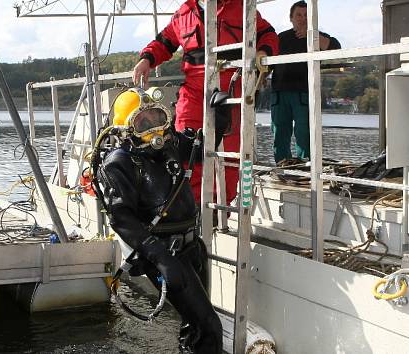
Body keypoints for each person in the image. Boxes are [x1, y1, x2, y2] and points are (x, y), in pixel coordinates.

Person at [91, 87, 230, 353]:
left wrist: (220, 115)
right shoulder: (118, 163)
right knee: (209, 325)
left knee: (195, 322)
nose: (154, 128)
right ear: (127, 129)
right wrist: (161, 258)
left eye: (158, 118)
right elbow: (121, 219)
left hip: (191, 246)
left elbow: (200, 149)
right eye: (144, 123)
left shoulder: (171, 144)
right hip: (164, 252)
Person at [132, 0, 278, 204]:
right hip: (193, 93)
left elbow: (267, 34)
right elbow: (164, 42)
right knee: (185, 149)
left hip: (231, 91)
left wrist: (263, 53)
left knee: (231, 155)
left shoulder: (242, 7)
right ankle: (192, 208)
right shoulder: (184, 13)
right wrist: (146, 59)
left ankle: (221, 207)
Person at [270, 1, 341, 164]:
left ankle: (306, 172)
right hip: (279, 94)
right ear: (291, 18)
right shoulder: (280, 38)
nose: (302, 19)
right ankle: (283, 169)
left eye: (306, 15)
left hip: (304, 92)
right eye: (298, 15)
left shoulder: (318, 37)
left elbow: (336, 48)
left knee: (305, 135)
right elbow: (266, 64)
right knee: (279, 134)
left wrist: (313, 36)